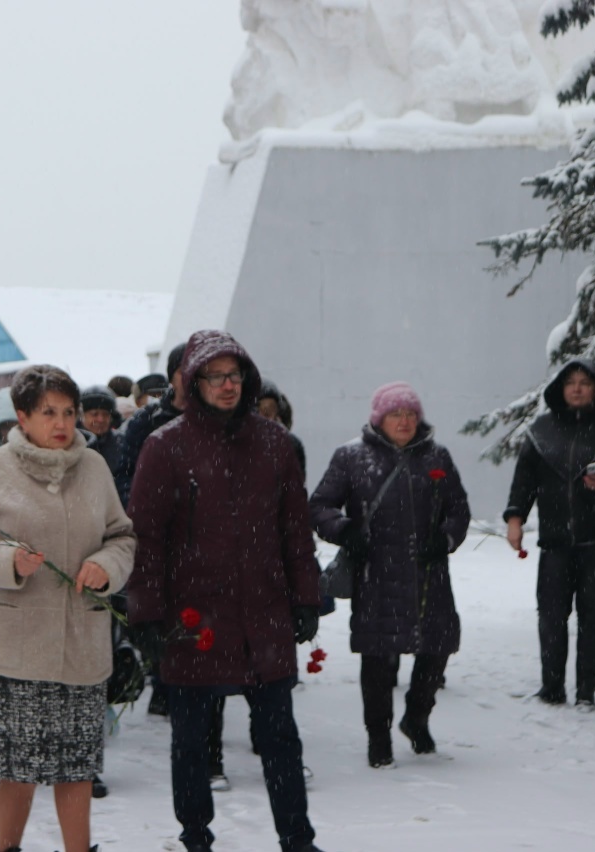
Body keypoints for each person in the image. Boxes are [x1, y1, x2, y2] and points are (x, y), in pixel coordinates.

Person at [127, 330, 323, 852]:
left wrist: (306, 596)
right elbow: (146, 538)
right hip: (195, 617)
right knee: (191, 741)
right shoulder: (165, 446)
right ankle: (195, 836)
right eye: (214, 377)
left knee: (280, 737)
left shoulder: (275, 443)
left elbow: (294, 530)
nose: (226, 385)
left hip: (264, 611)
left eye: (233, 375)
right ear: (193, 383)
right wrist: (145, 613)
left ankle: (297, 838)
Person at [0, 364, 135, 852]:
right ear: (22, 416)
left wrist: (106, 566)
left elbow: (122, 537)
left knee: (76, 770)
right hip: (14, 650)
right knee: (17, 770)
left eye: (69, 412)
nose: (62, 423)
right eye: (49, 412)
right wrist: (7, 560)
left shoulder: (93, 467)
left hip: (79, 647)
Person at [309, 382, 470, 768]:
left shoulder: (437, 456)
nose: (404, 421)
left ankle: (417, 717)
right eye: (396, 414)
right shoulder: (351, 457)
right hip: (375, 573)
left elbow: (458, 508)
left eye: (411, 414)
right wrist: (345, 531)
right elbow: (319, 507)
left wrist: (446, 538)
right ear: (379, 419)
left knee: (438, 647)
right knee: (378, 659)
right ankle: (378, 737)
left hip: (428, 574)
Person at [503, 360, 595, 708]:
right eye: (570, 382)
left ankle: (586, 691)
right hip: (554, 542)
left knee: (593, 618)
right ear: (560, 388)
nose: (577, 388)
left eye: (585, 382)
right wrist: (515, 518)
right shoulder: (542, 430)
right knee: (551, 616)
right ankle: (551, 688)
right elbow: (524, 480)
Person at [115, 342, 188, 719]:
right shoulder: (146, 422)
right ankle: (163, 680)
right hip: (157, 534)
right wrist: (151, 503)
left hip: (203, 537)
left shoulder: (219, 418)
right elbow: (124, 475)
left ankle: (191, 687)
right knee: (160, 610)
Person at [81, 385, 124, 489]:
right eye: (94, 414)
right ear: (82, 416)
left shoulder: (122, 443)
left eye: (105, 414)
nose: (100, 419)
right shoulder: (71, 442)